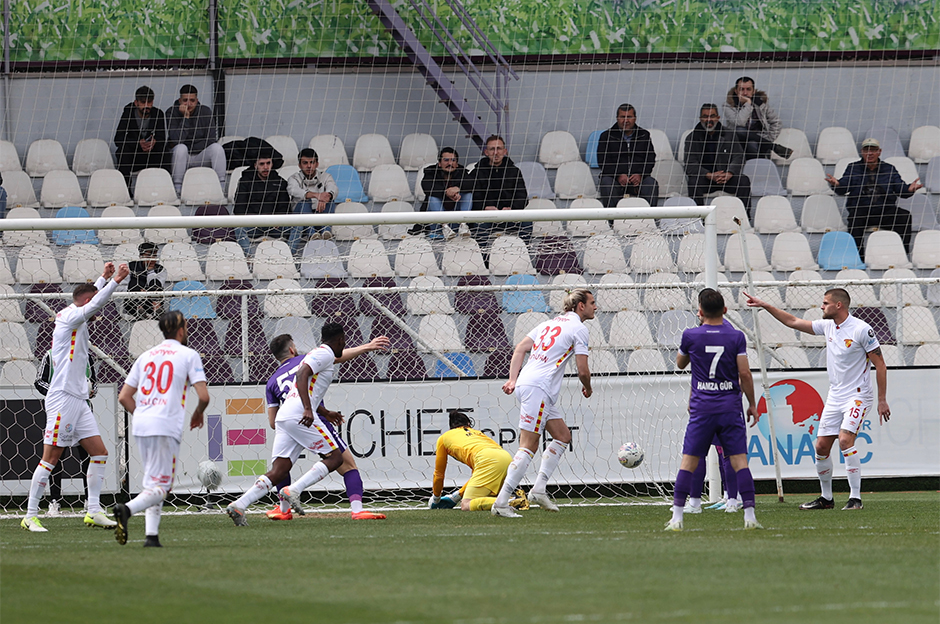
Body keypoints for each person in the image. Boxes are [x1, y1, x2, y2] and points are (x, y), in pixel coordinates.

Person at [226, 323, 388, 525]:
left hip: (284, 416)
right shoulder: (317, 355)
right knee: (336, 457)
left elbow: (279, 412)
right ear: (340, 341)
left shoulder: (278, 376)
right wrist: (309, 409)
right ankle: (295, 490)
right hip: (301, 413)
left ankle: (240, 504)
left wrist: (323, 411)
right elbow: (302, 374)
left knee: (279, 469)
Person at [744, 287, 890, 511]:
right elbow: (793, 321)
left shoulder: (862, 330)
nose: (821, 307)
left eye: (825, 303)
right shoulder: (827, 326)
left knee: (844, 441)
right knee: (821, 446)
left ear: (838, 305)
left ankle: (855, 498)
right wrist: (765, 305)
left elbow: (880, 364)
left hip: (858, 396)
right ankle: (826, 498)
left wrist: (882, 400)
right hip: (835, 395)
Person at [21, 262, 130, 532]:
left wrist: (102, 279)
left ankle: (93, 510)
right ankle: (30, 515)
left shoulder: (74, 313)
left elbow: (89, 300)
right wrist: (116, 281)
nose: (98, 313)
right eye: (94, 304)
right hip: (63, 398)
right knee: (51, 458)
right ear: (86, 302)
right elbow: (92, 305)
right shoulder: (69, 318)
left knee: (100, 453)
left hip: (79, 399)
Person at [491, 289, 596, 518]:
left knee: (563, 436)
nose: (595, 307)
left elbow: (520, 348)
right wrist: (588, 387)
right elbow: (583, 370)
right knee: (528, 446)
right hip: (539, 388)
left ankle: (538, 489)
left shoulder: (547, 324)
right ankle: (501, 502)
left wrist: (512, 379)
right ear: (580, 306)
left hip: (530, 384)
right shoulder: (579, 328)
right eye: (592, 303)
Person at [664, 289, 761, 531]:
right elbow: (745, 374)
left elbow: (680, 363)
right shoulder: (736, 337)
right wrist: (752, 403)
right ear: (725, 310)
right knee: (740, 461)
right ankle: (749, 516)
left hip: (702, 408)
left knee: (688, 462)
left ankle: (677, 518)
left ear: (700, 311)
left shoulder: (691, 335)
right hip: (729, 407)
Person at [113, 311, 209, 547]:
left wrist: (144, 414)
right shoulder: (188, 355)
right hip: (165, 424)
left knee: (153, 482)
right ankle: (126, 509)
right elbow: (204, 396)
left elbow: (124, 397)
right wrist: (198, 413)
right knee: (163, 486)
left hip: (142, 423)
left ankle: (152, 537)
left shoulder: (145, 356)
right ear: (180, 330)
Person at [825, 138, 922, 256]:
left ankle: (902, 254)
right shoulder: (853, 168)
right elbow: (843, 188)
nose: (869, 153)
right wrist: (837, 185)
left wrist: (909, 189)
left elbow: (900, 189)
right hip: (861, 210)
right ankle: (858, 257)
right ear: (862, 152)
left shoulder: (889, 168)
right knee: (855, 220)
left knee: (904, 217)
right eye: (866, 150)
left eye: (873, 150)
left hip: (885, 211)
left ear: (879, 152)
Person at [35, 345, 97, 516]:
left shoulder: (86, 356)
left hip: (82, 413)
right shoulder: (50, 356)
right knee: (55, 458)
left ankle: (89, 501)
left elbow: (94, 383)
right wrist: (60, 393)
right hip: (60, 412)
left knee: (89, 457)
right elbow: (39, 382)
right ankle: (54, 501)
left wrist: (91, 391)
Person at [429, 410, 527, 512]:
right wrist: (455, 496)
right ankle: (512, 498)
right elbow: (476, 475)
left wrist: (436, 498)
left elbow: (439, 474)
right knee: (486, 496)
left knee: (466, 504)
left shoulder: (444, 438)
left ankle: (511, 501)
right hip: (506, 457)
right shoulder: (478, 433)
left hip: (487, 459)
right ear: (468, 424)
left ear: (451, 427)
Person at [684, 104, 752, 210]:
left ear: (718, 118)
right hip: (706, 178)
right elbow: (690, 164)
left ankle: (744, 218)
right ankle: (699, 219)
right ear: (700, 119)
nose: (709, 120)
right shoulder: (692, 138)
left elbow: (739, 157)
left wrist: (730, 173)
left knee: (743, 181)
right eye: (705, 116)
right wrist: (709, 175)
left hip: (726, 178)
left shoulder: (729, 135)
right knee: (693, 183)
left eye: (712, 116)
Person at [469, 135, 530, 248]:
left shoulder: (514, 172)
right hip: (486, 217)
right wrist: (484, 207)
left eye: (499, 148)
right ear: (486, 152)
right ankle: (484, 260)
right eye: (492, 149)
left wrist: (511, 208)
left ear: (505, 151)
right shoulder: (477, 172)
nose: (496, 153)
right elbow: (473, 197)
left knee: (527, 223)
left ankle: (525, 255)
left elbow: (523, 197)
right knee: (479, 226)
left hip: (510, 216)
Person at [165, 84, 226, 194]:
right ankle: (177, 187)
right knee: (180, 148)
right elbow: (176, 140)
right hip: (182, 157)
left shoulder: (206, 112)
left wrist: (191, 145)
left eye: (192, 100)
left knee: (217, 148)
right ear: (179, 100)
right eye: (185, 100)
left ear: (197, 100)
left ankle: (221, 186)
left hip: (201, 155)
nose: (188, 104)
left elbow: (211, 139)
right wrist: (186, 118)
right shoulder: (171, 112)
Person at [597, 104, 659, 207]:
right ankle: (612, 221)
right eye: (622, 117)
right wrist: (618, 175)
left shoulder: (644, 135)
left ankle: (650, 220)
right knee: (607, 183)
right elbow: (602, 161)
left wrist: (640, 174)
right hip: (615, 178)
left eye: (629, 117)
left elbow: (650, 159)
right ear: (617, 118)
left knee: (651, 184)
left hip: (639, 178)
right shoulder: (606, 136)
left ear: (635, 118)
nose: (626, 121)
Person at [232, 151, 293, 255]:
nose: (265, 167)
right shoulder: (245, 181)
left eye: (268, 163)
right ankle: (250, 259)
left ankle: (291, 257)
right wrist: (253, 220)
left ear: (272, 164)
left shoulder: (280, 182)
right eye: (262, 164)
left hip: (275, 226)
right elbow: (239, 208)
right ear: (255, 165)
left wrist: (278, 218)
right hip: (253, 226)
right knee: (238, 227)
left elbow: (285, 207)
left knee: (298, 226)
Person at [722, 77, 793, 160]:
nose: (745, 93)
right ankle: (774, 147)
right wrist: (748, 104)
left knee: (752, 144)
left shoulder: (760, 104)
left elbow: (776, 122)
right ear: (736, 91)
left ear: (753, 91)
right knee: (739, 130)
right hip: (737, 141)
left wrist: (769, 138)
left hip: (759, 142)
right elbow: (740, 122)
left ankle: (757, 169)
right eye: (742, 89)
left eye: (748, 89)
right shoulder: (729, 105)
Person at [408, 147, 471, 240]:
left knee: (467, 194)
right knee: (432, 197)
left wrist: (457, 189)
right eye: (446, 160)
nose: (450, 163)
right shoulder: (431, 172)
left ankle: (463, 225)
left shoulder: (463, 172)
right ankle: (444, 227)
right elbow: (427, 186)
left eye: (453, 160)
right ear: (440, 163)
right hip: (436, 224)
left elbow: (473, 184)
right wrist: (446, 192)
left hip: (456, 221)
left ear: (457, 164)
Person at [285, 148, 339, 252]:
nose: (309, 166)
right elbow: (293, 190)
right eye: (305, 163)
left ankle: (326, 232)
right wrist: (316, 195)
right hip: (301, 220)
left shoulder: (325, 176)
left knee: (330, 200)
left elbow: (334, 189)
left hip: (320, 216)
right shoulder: (294, 178)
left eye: (312, 162)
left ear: (317, 164)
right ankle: (311, 234)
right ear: (299, 165)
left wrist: (325, 197)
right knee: (305, 201)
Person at [114, 85, 169, 184]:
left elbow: (162, 138)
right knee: (122, 151)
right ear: (136, 103)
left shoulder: (158, 114)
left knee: (165, 152)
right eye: (143, 102)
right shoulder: (128, 113)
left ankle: (164, 186)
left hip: (151, 155)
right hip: (134, 155)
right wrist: (138, 143)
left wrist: (154, 142)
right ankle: (126, 190)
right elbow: (118, 139)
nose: (147, 106)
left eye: (149, 102)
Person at [126, 242, 167, 320]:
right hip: (133, 300)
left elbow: (158, 286)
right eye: (148, 255)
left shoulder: (161, 270)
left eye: (154, 255)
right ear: (141, 256)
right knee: (134, 282)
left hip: (150, 300)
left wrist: (151, 271)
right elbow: (121, 287)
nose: (152, 258)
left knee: (155, 283)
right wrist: (138, 293)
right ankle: (139, 310)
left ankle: (157, 309)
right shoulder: (130, 267)